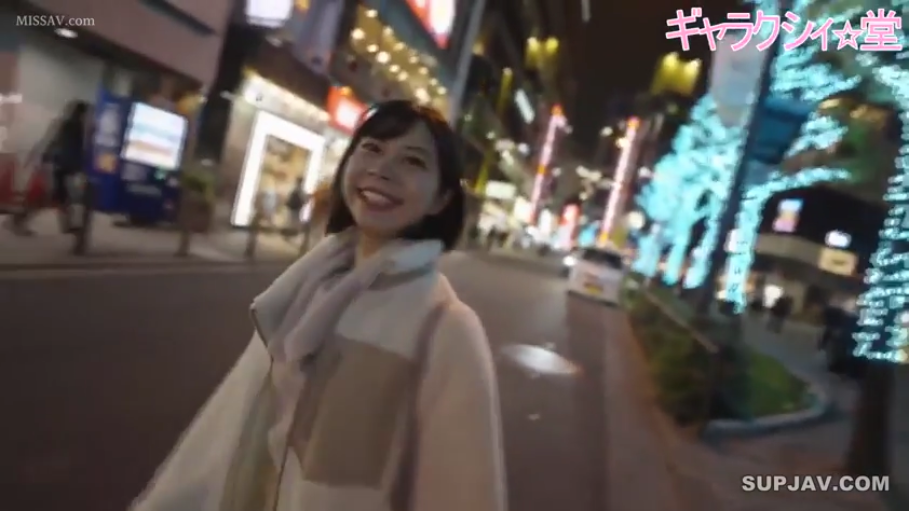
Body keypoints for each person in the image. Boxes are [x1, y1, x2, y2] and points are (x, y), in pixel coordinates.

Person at [130, 100, 508, 511]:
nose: (383, 169)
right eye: (372, 149)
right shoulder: (307, 288)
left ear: (441, 199)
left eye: (413, 161)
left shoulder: (445, 329)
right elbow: (228, 431)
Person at [8, 100, 89, 235]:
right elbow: (69, 148)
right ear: (81, 113)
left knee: (59, 197)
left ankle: (67, 225)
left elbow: (49, 140)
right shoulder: (73, 126)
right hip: (56, 165)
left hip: (54, 164)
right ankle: (18, 220)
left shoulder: (64, 123)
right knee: (49, 196)